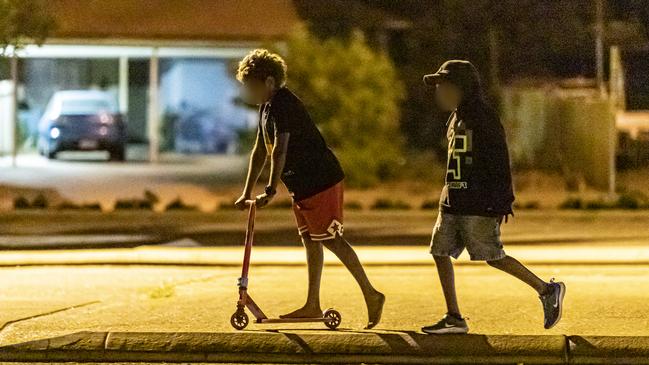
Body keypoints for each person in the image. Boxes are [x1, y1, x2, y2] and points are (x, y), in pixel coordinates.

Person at [233, 49, 385, 329]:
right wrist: (246, 191)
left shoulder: (284, 105)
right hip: (301, 183)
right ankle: (312, 305)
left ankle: (371, 294)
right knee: (311, 241)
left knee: (331, 239)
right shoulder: (266, 107)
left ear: (268, 81)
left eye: (252, 86)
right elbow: (259, 150)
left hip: (320, 179)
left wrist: (269, 188)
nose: (249, 93)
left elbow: (280, 149)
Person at [421, 60, 566, 334]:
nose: (439, 92)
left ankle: (547, 290)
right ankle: (454, 317)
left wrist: (501, 203)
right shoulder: (455, 118)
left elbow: (500, 161)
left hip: (477, 204)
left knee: (493, 256)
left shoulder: (484, 118)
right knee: (439, 251)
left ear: (462, 88)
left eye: (444, 86)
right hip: (452, 202)